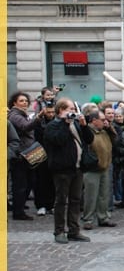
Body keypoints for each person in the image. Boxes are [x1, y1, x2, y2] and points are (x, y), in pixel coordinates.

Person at [43, 98, 94, 243]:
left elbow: (89, 140)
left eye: (73, 109)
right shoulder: (53, 125)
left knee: (76, 200)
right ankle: (59, 231)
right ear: (60, 111)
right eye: (68, 109)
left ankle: (74, 230)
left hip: (77, 168)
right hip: (62, 169)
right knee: (61, 201)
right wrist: (65, 123)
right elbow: (58, 140)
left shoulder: (76, 124)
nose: (72, 111)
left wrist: (84, 126)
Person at [8, 91, 45, 220]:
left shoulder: (22, 114)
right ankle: (18, 211)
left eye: (26, 101)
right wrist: (38, 117)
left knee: (29, 181)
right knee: (21, 184)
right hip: (21, 155)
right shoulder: (15, 115)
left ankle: (20, 207)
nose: (24, 103)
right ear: (14, 103)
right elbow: (26, 127)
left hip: (27, 153)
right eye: (21, 101)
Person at [80, 110, 117, 229]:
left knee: (104, 195)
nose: (104, 122)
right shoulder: (88, 132)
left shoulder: (104, 132)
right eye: (102, 120)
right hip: (92, 168)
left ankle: (103, 217)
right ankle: (88, 219)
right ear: (94, 121)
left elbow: (115, 140)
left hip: (105, 166)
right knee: (91, 195)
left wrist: (109, 128)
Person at [33, 104, 57, 215]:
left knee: (52, 181)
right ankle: (40, 205)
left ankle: (50, 204)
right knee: (40, 181)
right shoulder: (39, 123)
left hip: (53, 155)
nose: (51, 114)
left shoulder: (56, 123)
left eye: (53, 112)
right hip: (41, 154)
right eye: (49, 112)